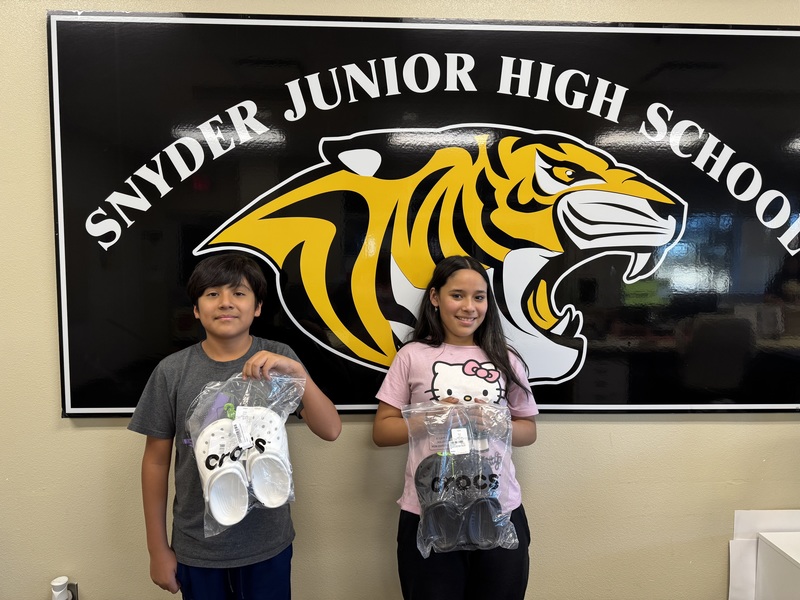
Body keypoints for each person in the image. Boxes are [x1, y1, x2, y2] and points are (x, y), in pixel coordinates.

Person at [128, 253, 341, 599]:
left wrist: (297, 373)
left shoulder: (279, 357)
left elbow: (330, 429)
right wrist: (157, 549)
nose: (226, 303)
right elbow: (155, 461)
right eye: (212, 294)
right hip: (198, 546)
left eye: (239, 293)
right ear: (195, 309)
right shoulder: (172, 371)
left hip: (267, 543)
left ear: (258, 307)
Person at [372, 255, 538, 600]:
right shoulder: (412, 355)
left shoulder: (506, 358)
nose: (469, 307)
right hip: (428, 510)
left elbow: (528, 431)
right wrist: (429, 418)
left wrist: (496, 423)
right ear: (435, 297)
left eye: (479, 297)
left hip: (498, 508)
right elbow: (382, 432)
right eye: (457, 295)